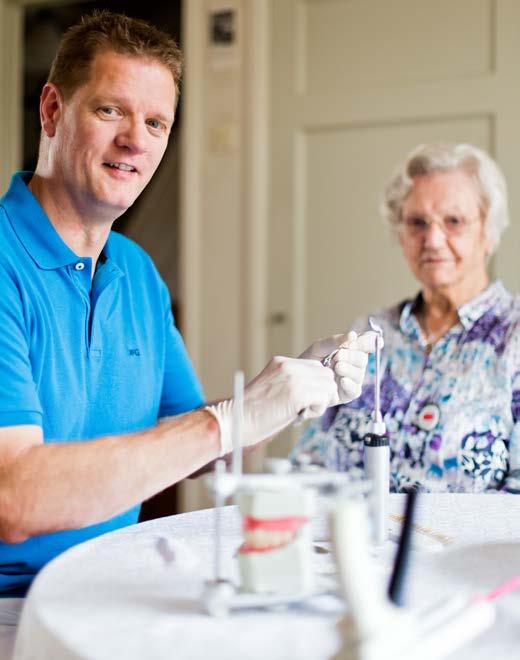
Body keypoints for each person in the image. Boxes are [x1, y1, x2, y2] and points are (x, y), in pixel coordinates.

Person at [0, 10, 375, 607]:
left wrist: (284, 394)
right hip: (17, 609)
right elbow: (14, 499)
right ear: (51, 110)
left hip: (113, 586)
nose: (136, 140)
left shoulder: (138, 273)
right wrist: (229, 418)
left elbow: (192, 444)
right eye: (110, 111)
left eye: (156, 122)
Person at [293, 143, 520, 494]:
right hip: (346, 545)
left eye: (454, 221)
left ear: (488, 233)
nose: (432, 239)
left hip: (466, 549)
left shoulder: (513, 336)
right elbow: (308, 463)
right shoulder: (369, 332)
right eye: (417, 222)